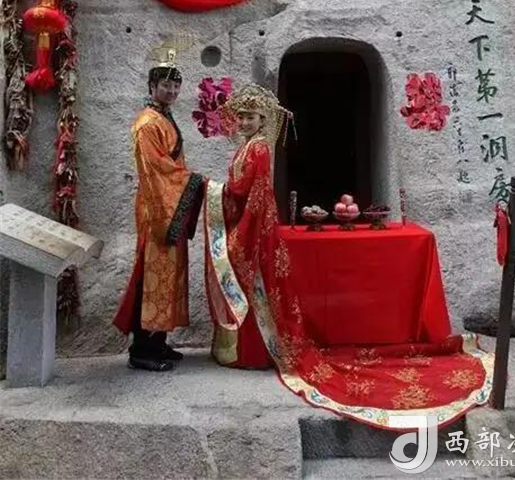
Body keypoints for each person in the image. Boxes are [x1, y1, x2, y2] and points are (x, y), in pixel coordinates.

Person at [203, 83, 494, 431]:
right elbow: (240, 191)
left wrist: (212, 193)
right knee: (254, 290)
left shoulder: (260, 149)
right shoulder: (246, 147)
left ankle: (254, 353)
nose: (245, 122)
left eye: (251, 117)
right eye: (241, 117)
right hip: (250, 225)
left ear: (263, 120)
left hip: (255, 227)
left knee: (258, 289)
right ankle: (248, 351)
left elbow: (253, 194)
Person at [113, 51, 205, 371]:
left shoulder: (163, 117)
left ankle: (159, 343)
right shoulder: (147, 123)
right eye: (166, 85)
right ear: (152, 86)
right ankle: (142, 349)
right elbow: (157, 169)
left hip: (170, 203)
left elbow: (171, 165)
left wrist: (186, 184)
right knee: (152, 276)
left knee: (168, 275)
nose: (172, 91)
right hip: (158, 208)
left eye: (176, 86)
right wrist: (194, 182)